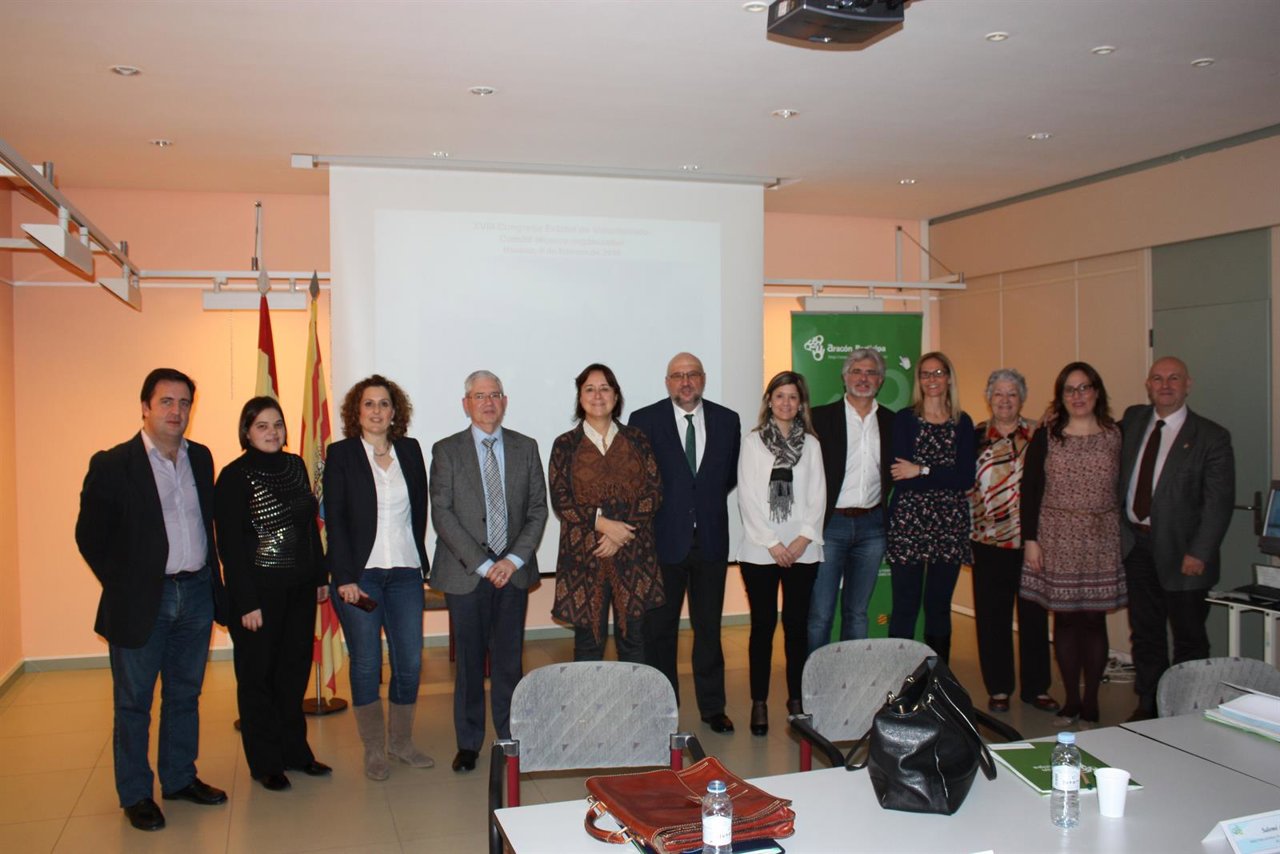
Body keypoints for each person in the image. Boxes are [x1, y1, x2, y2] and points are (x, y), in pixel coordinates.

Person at [75, 368, 228, 831]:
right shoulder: (113, 463)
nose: (176, 411)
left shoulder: (200, 458)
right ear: (144, 407)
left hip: (196, 591)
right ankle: (137, 793)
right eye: (166, 402)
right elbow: (90, 536)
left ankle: (180, 778)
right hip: (145, 599)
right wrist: (126, 584)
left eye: (183, 403)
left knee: (185, 694)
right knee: (134, 702)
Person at [429, 370, 548, 774]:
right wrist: (482, 565)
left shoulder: (526, 447)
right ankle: (468, 743)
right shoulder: (446, 451)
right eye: (479, 396)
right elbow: (442, 514)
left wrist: (511, 560)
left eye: (495, 394)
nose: (488, 402)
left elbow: (537, 510)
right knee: (469, 663)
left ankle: (510, 738)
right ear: (466, 403)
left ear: (505, 400)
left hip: (512, 572)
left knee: (508, 662)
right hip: (466, 574)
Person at [214, 397, 331, 791]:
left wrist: (319, 576)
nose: (272, 432)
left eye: (277, 424)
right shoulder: (233, 476)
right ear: (246, 431)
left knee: (293, 674)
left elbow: (308, 528)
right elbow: (228, 545)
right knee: (257, 679)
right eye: (262, 425)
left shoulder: (295, 465)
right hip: (257, 599)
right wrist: (245, 601)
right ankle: (265, 762)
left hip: (299, 591)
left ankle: (296, 752)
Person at [325, 375, 433, 780]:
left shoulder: (410, 450)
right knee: (367, 663)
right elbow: (334, 520)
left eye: (383, 404)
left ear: (394, 412)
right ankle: (374, 749)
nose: (376, 411)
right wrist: (343, 576)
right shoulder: (341, 454)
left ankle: (401, 743)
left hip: (405, 572)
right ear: (357, 412)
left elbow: (419, 510)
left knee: (409, 660)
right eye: (368, 404)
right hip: (361, 577)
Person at [630, 353, 741, 734]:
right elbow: (639, 480)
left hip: (710, 540)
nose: (686, 382)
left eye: (692, 375)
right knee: (660, 632)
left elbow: (726, 477)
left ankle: (713, 708)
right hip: (664, 541)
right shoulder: (643, 421)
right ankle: (664, 709)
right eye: (678, 376)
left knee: (708, 628)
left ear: (703, 379)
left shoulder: (728, 421)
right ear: (667, 382)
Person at [1119, 356, 1234, 721]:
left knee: (1188, 637)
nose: (1165, 385)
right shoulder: (1134, 421)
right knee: (1146, 632)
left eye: (1174, 378)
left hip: (1185, 553)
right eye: (1157, 378)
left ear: (1188, 384)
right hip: (1136, 546)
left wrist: (1200, 551)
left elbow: (1218, 503)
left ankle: (1189, 708)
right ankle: (1150, 701)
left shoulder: (1211, 436)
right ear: (1148, 384)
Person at [1021, 362, 1127, 727]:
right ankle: (1071, 699)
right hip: (1055, 536)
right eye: (1070, 389)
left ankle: (1092, 699)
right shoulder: (1047, 435)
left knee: (1094, 622)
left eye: (1084, 388)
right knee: (1065, 622)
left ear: (1097, 392)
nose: (1078, 396)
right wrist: (1030, 541)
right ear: (1060, 396)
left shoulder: (1116, 434)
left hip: (1101, 537)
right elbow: (1030, 489)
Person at [549, 363, 664, 662]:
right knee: (588, 645)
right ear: (580, 397)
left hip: (634, 553)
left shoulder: (637, 440)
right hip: (585, 556)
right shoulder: (564, 445)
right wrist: (602, 524)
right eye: (589, 389)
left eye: (604, 388)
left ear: (616, 396)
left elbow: (654, 492)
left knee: (635, 643)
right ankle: (588, 711)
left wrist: (620, 533)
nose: (597, 395)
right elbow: (561, 499)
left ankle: (636, 710)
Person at [737, 371, 825, 736]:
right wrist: (773, 543)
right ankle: (759, 703)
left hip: (803, 550)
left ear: (800, 403)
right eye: (780, 396)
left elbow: (818, 495)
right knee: (762, 627)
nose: (786, 403)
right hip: (760, 551)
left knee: (796, 628)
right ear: (769, 401)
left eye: (793, 397)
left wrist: (802, 540)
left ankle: (796, 701)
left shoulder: (813, 445)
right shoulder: (753, 442)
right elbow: (748, 497)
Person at [968, 369, 1057, 715]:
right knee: (992, 618)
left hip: (1029, 540)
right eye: (999, 394)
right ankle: (999, 687)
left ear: (1022, 399)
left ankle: (1037, 688)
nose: (1005, 400)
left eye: (1012, 394)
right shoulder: (975, 435)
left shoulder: (1040, 434)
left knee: (1034, 615)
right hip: (986, 540)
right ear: (989, 398)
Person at [885, 351, 975, 663]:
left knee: (938, 606)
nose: (932, 380)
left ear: (949, 378)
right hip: (909, 522)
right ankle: (899, 680)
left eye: (938, 373)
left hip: (949, 526)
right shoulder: (905, 420)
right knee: (905, 604)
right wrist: (938, 475)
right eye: (925, 374)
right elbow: (901, 477)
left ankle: (937, 683)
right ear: (919, 380)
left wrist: (922, 470)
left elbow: (964, 478)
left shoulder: (962, 423)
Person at [807, 348, 895, 652]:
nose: (863, 378)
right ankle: (814, 685)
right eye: (857, 371)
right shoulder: (819, 418)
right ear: (844, 377)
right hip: (831, 526)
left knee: (857, 613)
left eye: (871, 372)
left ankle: (850, 685)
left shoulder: (892, 422)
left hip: (873, 527)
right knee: (820, 614)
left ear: (881, 380)